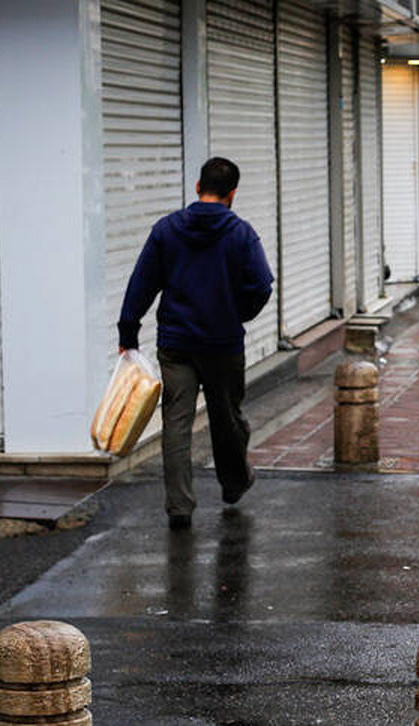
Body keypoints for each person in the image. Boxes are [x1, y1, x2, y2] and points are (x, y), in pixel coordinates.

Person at [118, 157, 275, 531]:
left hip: (176, 342)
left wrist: (128, 333)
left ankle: (179, 507)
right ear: (233, 193)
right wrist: (236, 313)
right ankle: (234, 483)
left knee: (176, 422)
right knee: (227, 417)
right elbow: (261, 285)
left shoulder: (167, 230)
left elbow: (142, 283)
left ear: (196, 187)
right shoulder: (241, 233)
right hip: (222, 342)